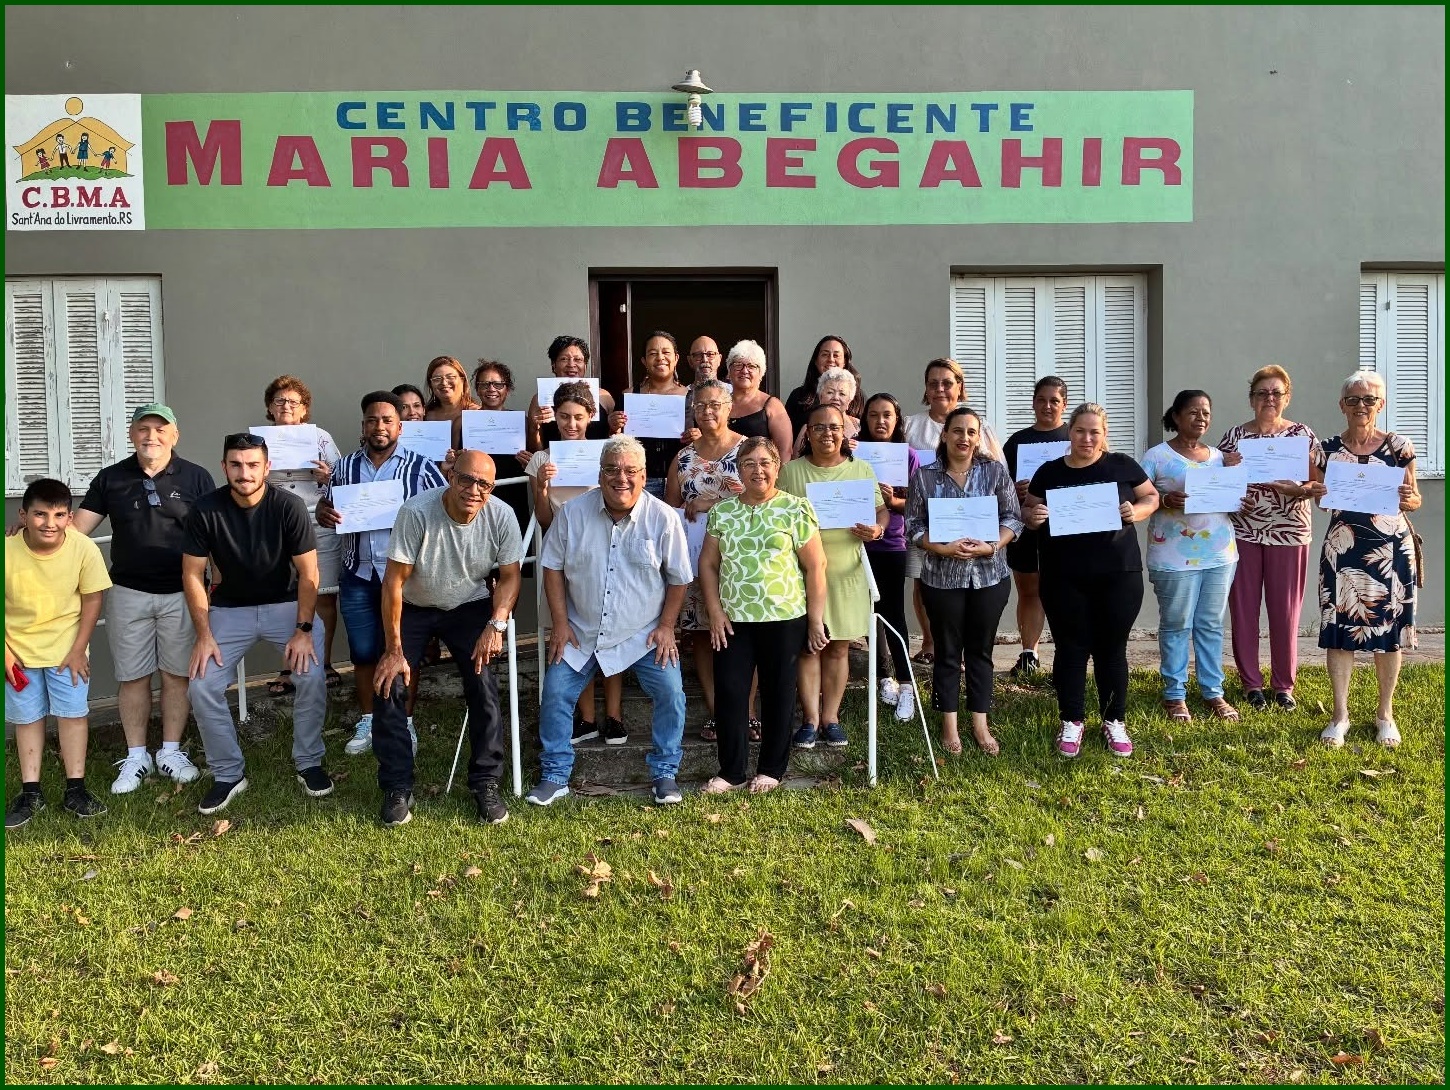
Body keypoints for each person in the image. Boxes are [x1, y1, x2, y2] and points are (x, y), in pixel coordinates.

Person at [528, 437, 692, 808]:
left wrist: (667, 626)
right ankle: (555, 776)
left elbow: (680, 578)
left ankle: (665, 773)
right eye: (612, 469)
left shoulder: (663, 517)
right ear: (599, 474)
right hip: (581, 631)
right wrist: (560, 623)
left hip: (644, 634)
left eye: (631, 470)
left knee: (671, 694)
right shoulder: (572, 513)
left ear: (644, 475)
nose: (622, 478)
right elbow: (551, 566)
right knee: (554, 693)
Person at [370, 451, 523, 827]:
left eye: (484, 484)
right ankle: (397, 785)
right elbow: (393, 581)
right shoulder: (417, 511)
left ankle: (486, 781)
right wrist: (394, 649)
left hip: (469, 604)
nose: (474, 490)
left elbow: (510, 577)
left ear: (492, 487)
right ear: (451, 477)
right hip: (414, 604)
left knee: (483, 682)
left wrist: (497, 622)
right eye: (466, 480)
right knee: (390, 682)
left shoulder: (501, 515)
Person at [182, 433, 331, 815]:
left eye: (252, 465)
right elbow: (192, 575)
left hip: (287, 606)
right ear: (224, 467)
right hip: (229, 611)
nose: (244, 472)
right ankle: (228, 773)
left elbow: (309, 572)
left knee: (311, 676)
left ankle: (309, 761)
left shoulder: (289, 506)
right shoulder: (205, 509)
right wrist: (203, 635)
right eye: (235, 464)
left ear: (266, 467)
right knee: (202, 686)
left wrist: (303, 630)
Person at [73, 403, 216, 793]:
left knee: (176, 674)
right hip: (128, 592)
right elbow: (76, 531)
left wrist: (218, 579)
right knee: (133, 677)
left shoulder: (197, 477)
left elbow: (214, 533)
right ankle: (136, 757)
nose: (151, 436)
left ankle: (170, 752)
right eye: (143, 429)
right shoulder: (112, 479)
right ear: (132, 434)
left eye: (160, 429)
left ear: (175, 435)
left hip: (183, 593)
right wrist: (32, 532)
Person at [315, 392, 447, 758]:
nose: (380, 427)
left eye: (387, 420)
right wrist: (325, 511)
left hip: (404, 576)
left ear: (400, 426)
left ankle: (403, 721)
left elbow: (443, 511)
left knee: (404, 651)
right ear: (363, 426)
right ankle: (370, 719)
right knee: (362, 652)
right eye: (372, 420)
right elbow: (331, 506)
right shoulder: (343, 468)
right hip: (358, 572)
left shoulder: (420, 467)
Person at [1023, 403, 1159, 758]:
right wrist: (1034, 515)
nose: (1087, 438)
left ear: (1104, 434)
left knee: (1111, 649)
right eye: (1080, 430)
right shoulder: (1049, 471)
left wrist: (1137, 511)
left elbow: (1151, 497)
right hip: (1063, 575)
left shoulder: (1122, 465)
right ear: (1070, 432)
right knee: (1071, 647)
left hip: (1118, 573)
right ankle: (1072, 719)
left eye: (1094, 431)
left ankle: (1114, 720)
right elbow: (1028, 509)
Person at [699, 438, 829, 793]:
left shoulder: (795, 509)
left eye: (765, 462)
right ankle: (732, 771)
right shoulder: (722, 512)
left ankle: (771, 768)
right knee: (730, 693)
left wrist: (815, 620)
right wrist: (714, 610)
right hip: (733, 620)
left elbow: (816, 566)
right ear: (738, 470)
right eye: (749, 463)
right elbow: (708, 565)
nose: (758, 470)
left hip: (784, 617)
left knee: (779, 694)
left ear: (777, 467)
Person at [1315, 371, 1422, 749]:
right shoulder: (1326, 449)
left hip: (1390, 551)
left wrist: (1408, 497)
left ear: (1382, 404)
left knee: (1388, 637)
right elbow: (1318, 496)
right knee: (1340, 632)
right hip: (1343, 550)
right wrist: (1318, 490)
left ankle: (1385, 715)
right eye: (1354, 399)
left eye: (1370, 399)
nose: (1362, 406)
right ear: (1342, 405)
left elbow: (1414, 499)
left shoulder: (1398, 446)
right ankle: (1340, 716)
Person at [906, 407, 1022, 755]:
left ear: (978, 437)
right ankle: (949, 724)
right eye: (957, 431)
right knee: (946, 652)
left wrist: (992, 545)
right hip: (942, 578)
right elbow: (913, 526)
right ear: (944, 435)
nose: (964, 438)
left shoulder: (995, 472)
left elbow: (1014, 518)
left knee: (980, 651)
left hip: (989, 575)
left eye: (971, 432)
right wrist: (938, 546)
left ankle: (980, 724)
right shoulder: (926, 476)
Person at [778, 404, 889, 750]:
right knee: (809, 648)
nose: (827, 433)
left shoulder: (861, 470)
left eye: (834, 427)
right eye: (819, 427)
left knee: (839, 647)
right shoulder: (791, 472)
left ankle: (831, 717)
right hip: (802, 575)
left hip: (847, 570)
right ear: (807, 433)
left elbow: (881, 512)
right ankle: (810, 720)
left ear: (846, 433)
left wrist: (877, 529)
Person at [5, 479, 112, 828]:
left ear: (69, 517)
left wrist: (79, 649)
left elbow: (92, 597)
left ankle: (75, 789)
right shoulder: (7, 551)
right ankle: (31, 792)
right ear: (23, 515)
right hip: (17, 653)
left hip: (67, 650)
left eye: (59, 514)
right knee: (27, 719)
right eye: (39, 514)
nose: (49, 522)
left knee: (72, 715)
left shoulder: (82, 548)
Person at [1216, 365, 1323, 711]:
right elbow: (1214, 485)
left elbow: (1321, 485)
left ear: (1287, 397)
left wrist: (1300, 489)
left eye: (1276, 393)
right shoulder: (1234, 438)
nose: (1269, 399)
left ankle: (1283, 686)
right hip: (1244, 531)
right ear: (1251, 399)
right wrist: (1231, 486)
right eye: (1262, 393)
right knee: (1244, 610)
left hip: (1290, 533)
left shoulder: (1303, 435)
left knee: (1285, 612)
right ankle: (1251, 684)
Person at [526, 381, 626, 744]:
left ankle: (613, 715)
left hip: (603, 552)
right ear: (555, 417)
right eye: (565, 416)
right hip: (562, 555)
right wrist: (541, 488)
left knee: (611, 632)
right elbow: (543, 520)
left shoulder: (605, 452)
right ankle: (586, 718)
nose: (571, 423)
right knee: (574, 637)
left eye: (578, 417)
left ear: (590, 417)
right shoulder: (542, 459)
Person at [1140, 391, 1240, 723]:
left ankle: (1214, 692)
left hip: (1220, 553)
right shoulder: (1156, 456)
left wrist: (1240, 492)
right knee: (1177, 624)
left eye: (1206, 413)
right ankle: (1174, 694)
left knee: (1211, 624)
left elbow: (1235, 498)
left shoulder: (1221, 458)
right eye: (1193, 412)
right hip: (1173, 556)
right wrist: (1167, 500)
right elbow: (1140, 497)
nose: (1201, 418)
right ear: (1177, 416)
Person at [665, 379, 746, 741]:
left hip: (743, 560)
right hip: (696, 562)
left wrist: (710, 503)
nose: (708, 411)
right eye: (700, 406)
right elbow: (669, 510)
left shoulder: (749, 450)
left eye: (715, 404)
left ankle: (747, 712)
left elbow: (765, 497)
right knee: (700, 635)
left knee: (743, 635)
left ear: (729, 408)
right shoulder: (683, 457)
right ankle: (716, 711)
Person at [260, 375, 344, 694]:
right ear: (270, 406)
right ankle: (288, 666)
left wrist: (328, 476)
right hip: (276, 526)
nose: (286, 407)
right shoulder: (259, 441)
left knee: (323, 593)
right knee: (286, 596)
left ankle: (323, 663)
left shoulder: (319, 437)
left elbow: (342, 478)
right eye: (279, 401)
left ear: (304, 409)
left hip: (317, 522)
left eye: (293, 402)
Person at [903, 357, 971, 666]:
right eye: (933, 384)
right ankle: (930, 641)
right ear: (926, 389)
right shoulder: (910, 425)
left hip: (966, 516)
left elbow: (996, 470)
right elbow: (897, 466)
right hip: (923, 517)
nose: (940, 389)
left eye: (947, 383)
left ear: (959, 387)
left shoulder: (975, 423)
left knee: (967, 581)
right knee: (922, 580)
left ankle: (963, 646)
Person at [1002, 376, 1070, 681]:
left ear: (1064, 405)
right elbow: (999, 484)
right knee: (1029, 590)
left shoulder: (1076, 435)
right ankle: (1029, 653)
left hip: (1070, 529)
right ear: (1033, 403)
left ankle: (1067, 656)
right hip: (1028, 527)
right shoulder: (1017, 441)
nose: (1047, 406)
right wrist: (1014, 492)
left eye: (1054, 400)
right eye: (1041, 400)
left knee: (1065, 591)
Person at [860, 392, 920, 722]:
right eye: (873, 415)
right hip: (856, 545)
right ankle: (886, 677)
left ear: (897, 420)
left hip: (892, 544)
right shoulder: (853, 454)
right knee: (869, 614)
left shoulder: (908, 456)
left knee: (893, 614)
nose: (880, 421)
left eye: (887, 415)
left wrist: (892, 501)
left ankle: (908, 685)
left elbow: (917, 503)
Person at [610, 330, 688, 499]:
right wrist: (613, 428)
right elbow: (616, 443)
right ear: (644, 361)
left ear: (676, 358)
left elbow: (705, 437)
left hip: (681, 478)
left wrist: (698, 436)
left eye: (666, 352)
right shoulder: (629, 396)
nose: (660, 357)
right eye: (653, 353)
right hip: (641, 480)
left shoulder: (690, 396)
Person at [469, 358, 533, 552]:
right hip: (476, 496)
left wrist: (528, 462)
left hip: (512, 495)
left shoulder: (521, 421)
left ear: (508, 389)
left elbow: (536, 458)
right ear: (477, 389)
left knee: (510, 559)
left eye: (498, 384)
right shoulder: (464, 422)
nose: (491, 389)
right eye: (485, 384)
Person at [526, 335, 618, 451]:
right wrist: (534, 428)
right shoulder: (539, 399)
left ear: (585, 365)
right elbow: (535, 449)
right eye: (564, 359)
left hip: (596, 464)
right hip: (554, 466)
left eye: (577, 359)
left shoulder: (604, 397)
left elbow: (615, 440)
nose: (571, 364)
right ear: (553, 365)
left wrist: (615, 428)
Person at [724, 339, 794, 459]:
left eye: (751, 366)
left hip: (760, 475)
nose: (744, 371)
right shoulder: (720, 404)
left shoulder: (772, 406)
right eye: (738, 365)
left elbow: (785, 451)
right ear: (729, 371)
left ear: (761, 373)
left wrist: (777, 477)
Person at [783, 335, 866, 436]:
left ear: (844, 362)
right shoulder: (799, 396)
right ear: (816, 360)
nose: (831, 359)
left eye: (836, 355)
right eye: (825, 355)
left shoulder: (858, 396)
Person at [790, 367, 861, 457]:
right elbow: (797, 460)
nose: (836, 397)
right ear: (820, 397)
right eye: (830, 392)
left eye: (842, 394)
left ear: (849, 401)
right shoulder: (808, 428)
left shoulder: (859, 426)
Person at [423, 355, 481, 454]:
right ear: (431, 384)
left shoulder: (477, 414)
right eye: (437, 379)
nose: (444, 383)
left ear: (462, 380)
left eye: (450, 377)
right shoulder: (424, 415)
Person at [681, 334, 724, 437]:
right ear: (690, 361)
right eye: (698, 355)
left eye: (710, 354)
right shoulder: (682, 395)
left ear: (719, 359)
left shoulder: (732, 393)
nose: (705, 359)